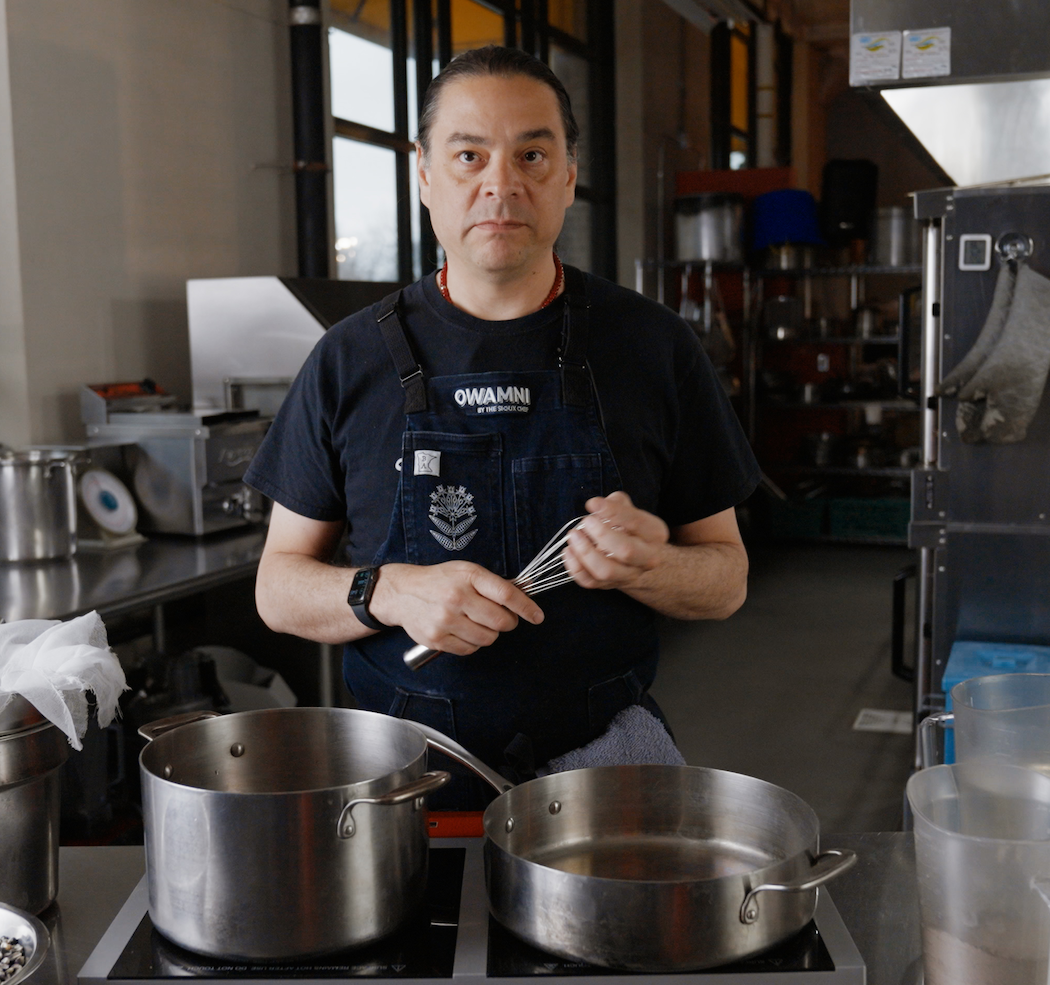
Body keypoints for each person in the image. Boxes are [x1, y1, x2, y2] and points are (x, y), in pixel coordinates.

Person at [246, 45, 759, 807]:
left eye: (531, 154)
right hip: (402, 771)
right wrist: (388, 592)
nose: (500, 183)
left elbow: (727, 578)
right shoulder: (348, 360)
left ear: (569, 176)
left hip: (603, 764)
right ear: (424, 175)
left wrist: (652, 566)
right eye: (468, 155)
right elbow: (278, 588)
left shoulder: (653, 348)